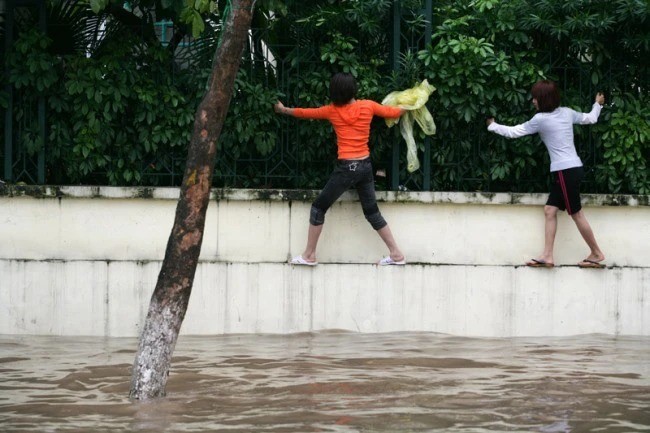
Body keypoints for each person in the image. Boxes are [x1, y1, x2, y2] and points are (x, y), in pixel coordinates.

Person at [274, 72, 406, 266]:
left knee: (318, 208)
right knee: (372, 212)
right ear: (353, 89)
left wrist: (283, 109)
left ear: (334, 92)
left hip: (347, 168)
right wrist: (412, 102)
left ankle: (309, 255)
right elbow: (393, 112)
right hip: (365, 166)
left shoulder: (332, 111)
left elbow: (305, 112)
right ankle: (396, 254)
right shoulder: (368, 106)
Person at [486, 79, 606, 268]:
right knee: (550, 210)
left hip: (565, 171)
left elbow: (514, 132)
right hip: (571, 170)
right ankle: (547, 256)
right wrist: (597, 105)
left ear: (544, 99)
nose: (533, 101)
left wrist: (493, 126)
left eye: (535, 98)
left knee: (577, 214)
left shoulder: (540, 120)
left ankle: (597, 253)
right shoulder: (567, 113)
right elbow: (591, 118)